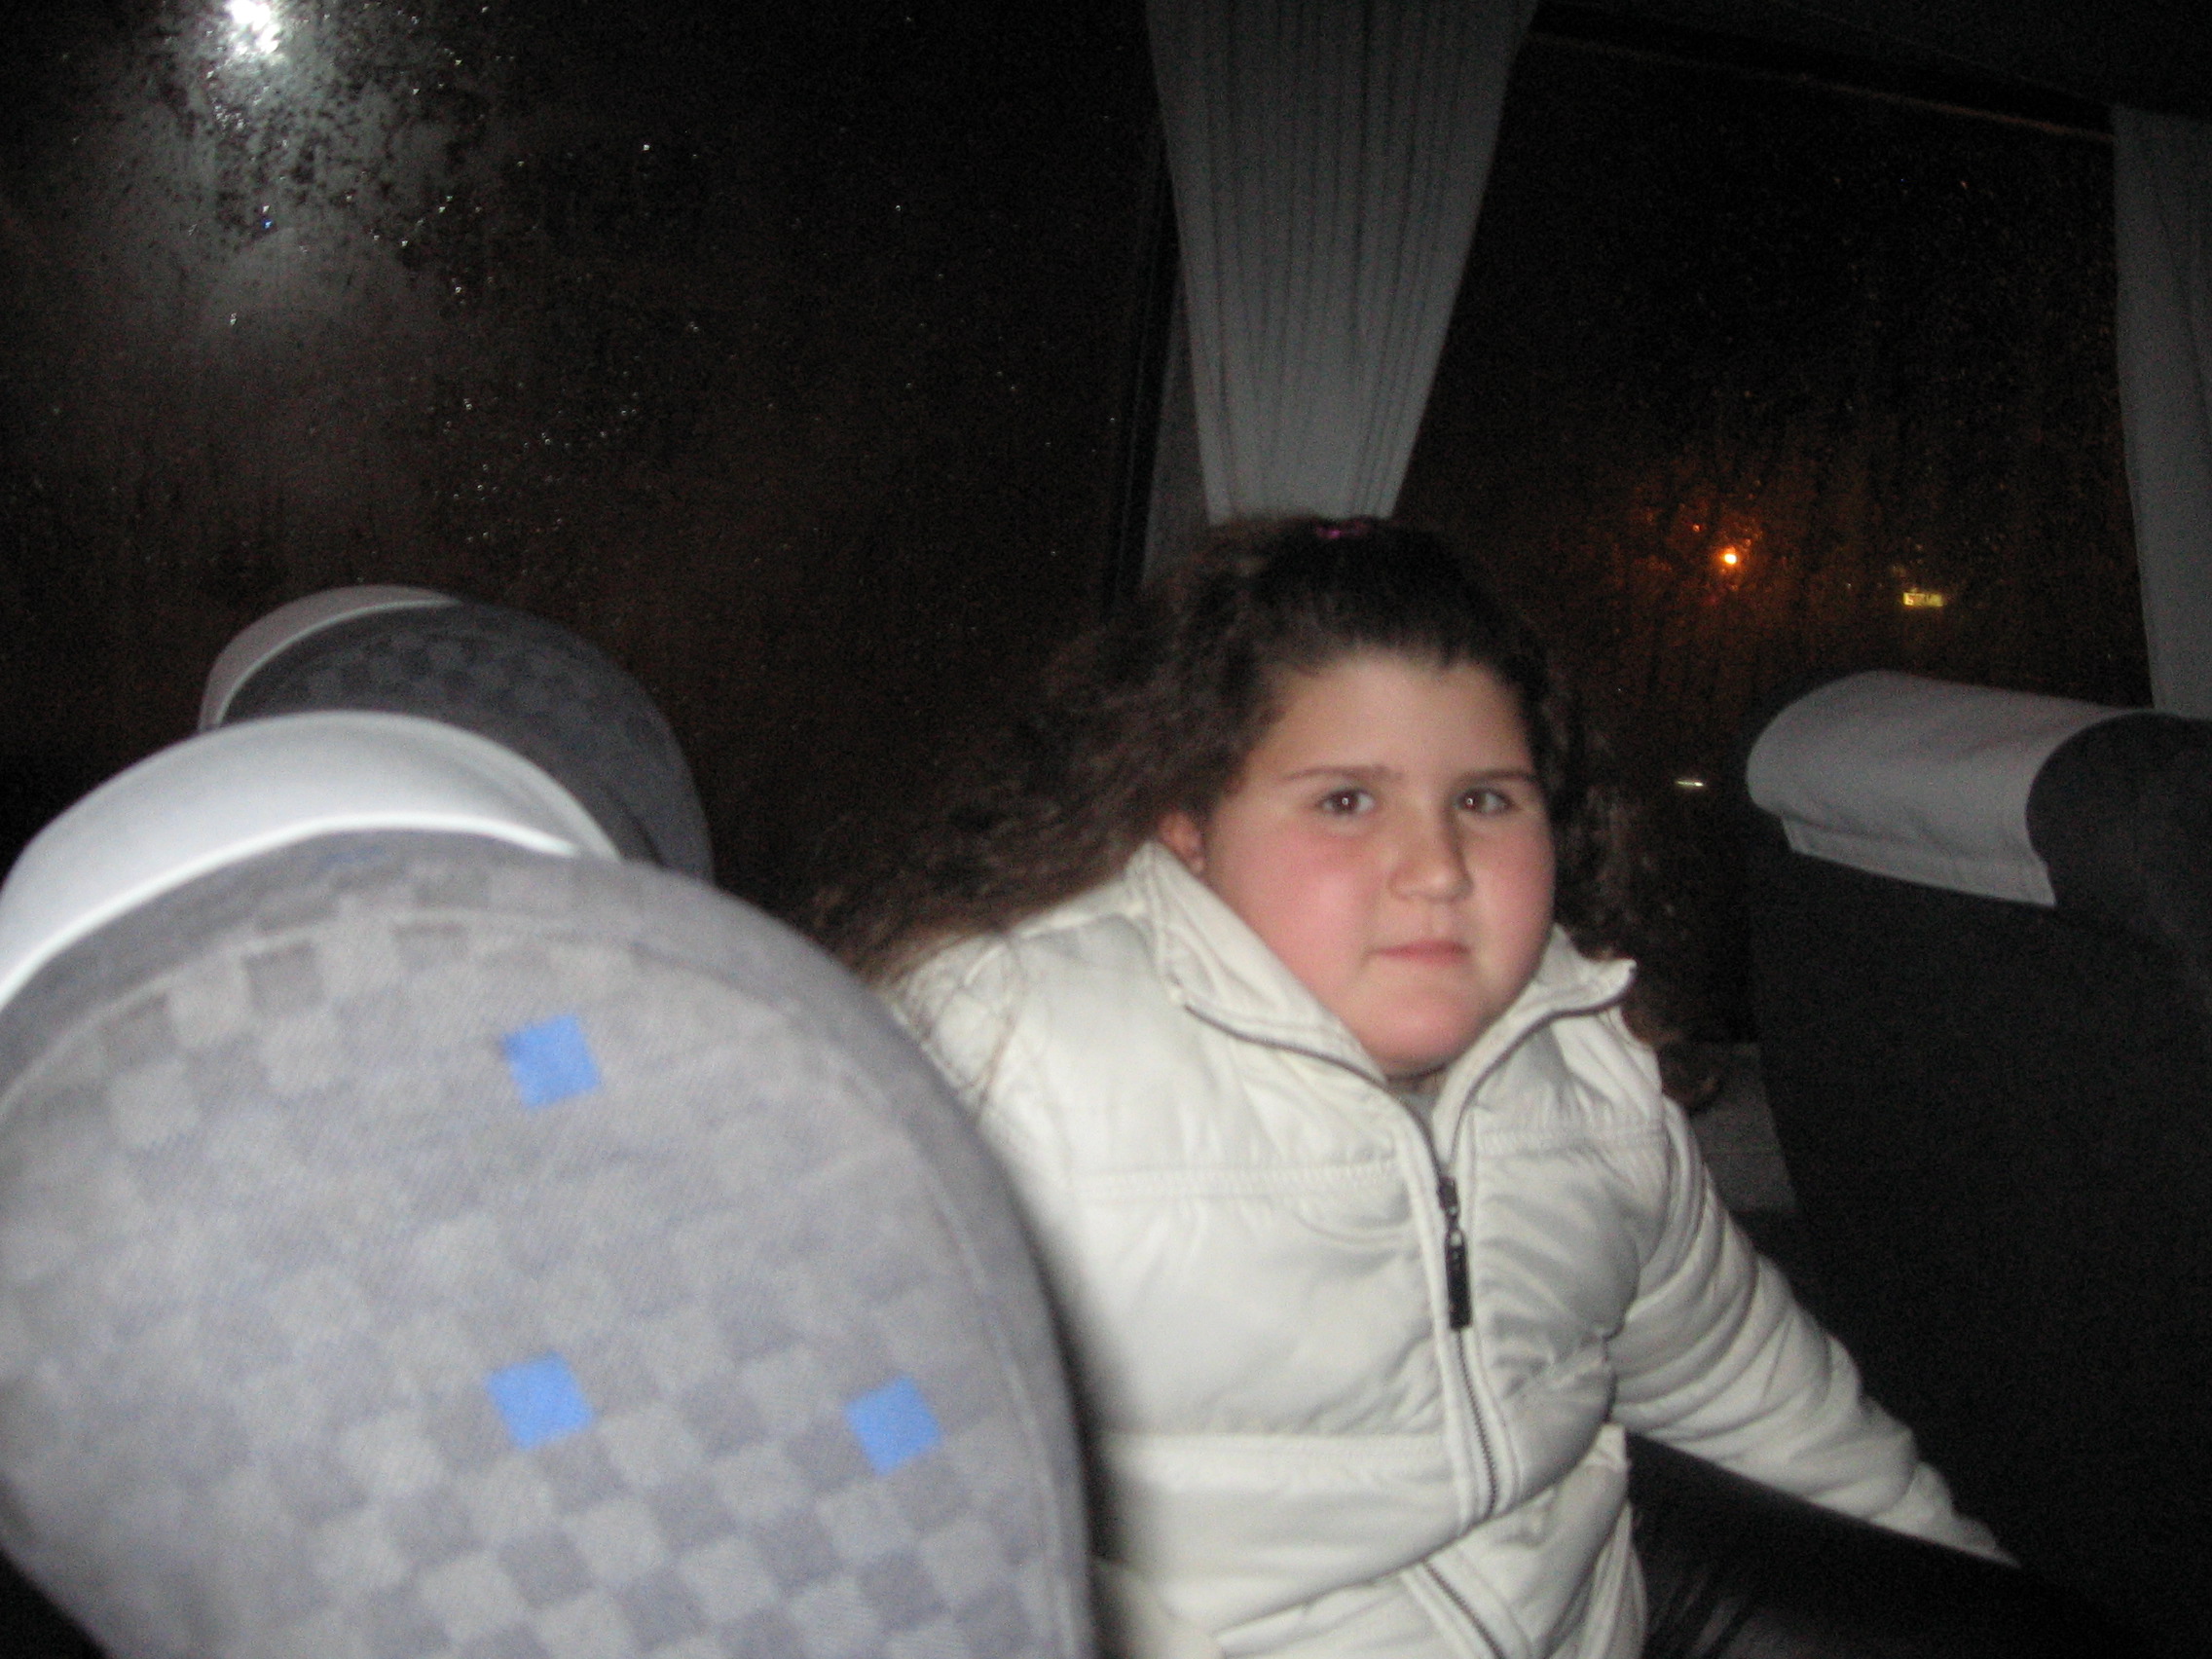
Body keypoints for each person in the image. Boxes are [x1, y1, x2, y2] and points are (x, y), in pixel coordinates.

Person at [809, 518, 2135, 1659]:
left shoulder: (1579, 1055)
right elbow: (837, 1455)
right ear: (1186, 824)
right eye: (1346, 801)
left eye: (1487, 800)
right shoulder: (1012, 1056)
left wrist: (1965, 1582)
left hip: (1585, 1603)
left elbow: (1751, 1388)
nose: (1437, 866)